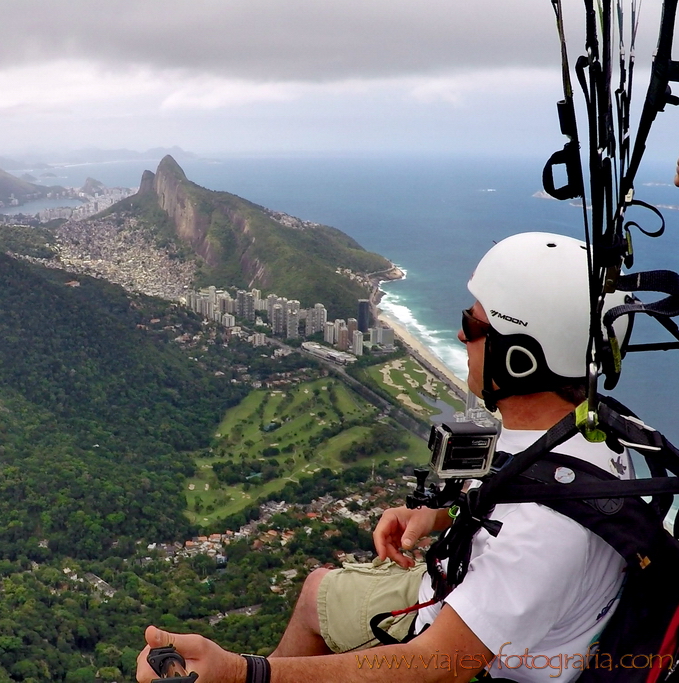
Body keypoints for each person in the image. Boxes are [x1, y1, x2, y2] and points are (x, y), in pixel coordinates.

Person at [136, 232, 633, 683]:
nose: (461, 335)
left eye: (473, 323)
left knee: (314, 597)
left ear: (521, 357)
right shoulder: (595, 435)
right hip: (508, 618)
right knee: (317, 589)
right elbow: (523, 501)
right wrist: (439, 515)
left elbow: (436, 667)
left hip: (473, 656)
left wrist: (242, 673)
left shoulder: (539, 533)